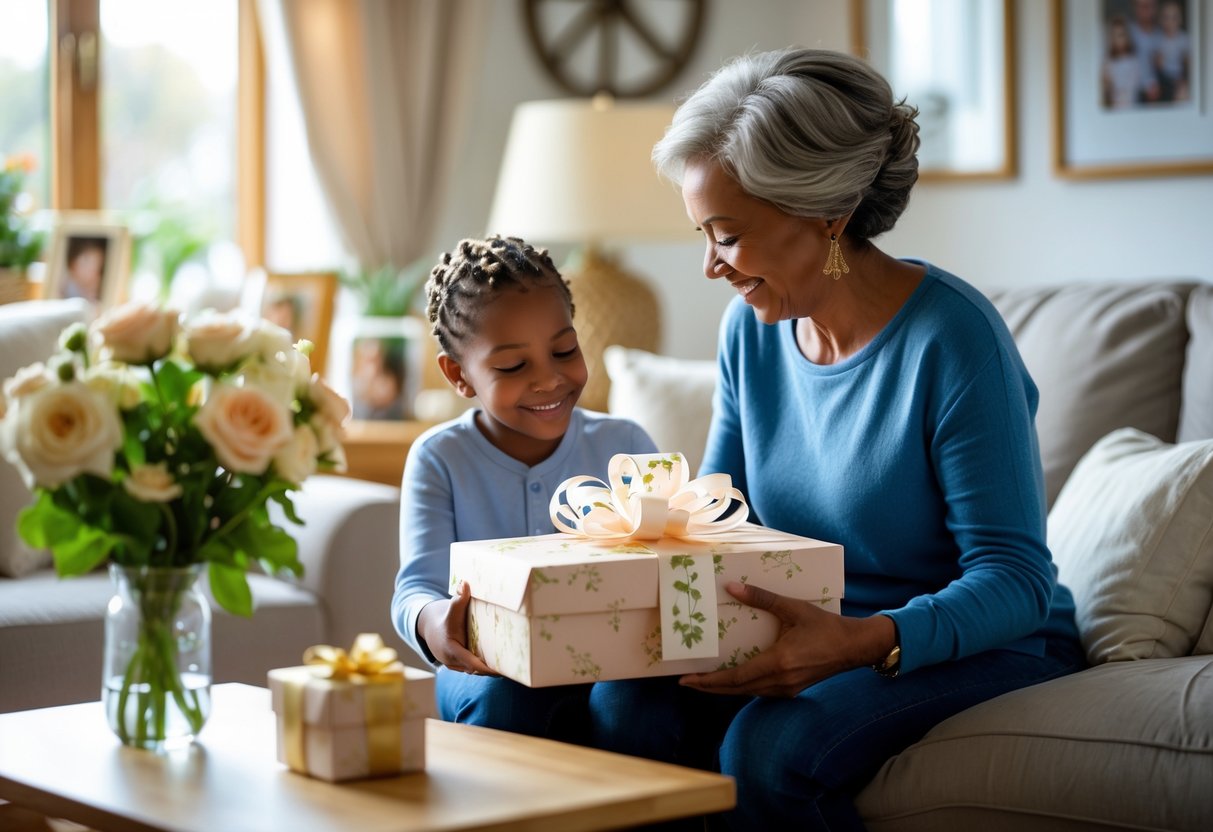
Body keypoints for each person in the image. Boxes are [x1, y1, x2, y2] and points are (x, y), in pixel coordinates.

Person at [587, 48, 1085, 830]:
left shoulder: (953, 342)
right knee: (624, 704)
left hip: (980, 642)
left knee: (769, 749)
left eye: (726, 235)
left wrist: (860, 642)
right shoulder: (750, 334)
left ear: (824, 214)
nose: (711, 266)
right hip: (807, 623)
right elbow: (721, 520)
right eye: (702, 234)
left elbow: (1014, 580)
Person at [389, 235, 657, 743]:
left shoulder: (626, 444)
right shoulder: (439, 458)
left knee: (638, 703)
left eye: (564, 350)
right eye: (513, 366)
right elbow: (415, 589)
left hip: (614, 660)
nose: (549, 379)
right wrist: (432, 621)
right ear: (459, 375)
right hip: (489, 669)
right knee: (505, 700)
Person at [1154, 0, 1191, 103]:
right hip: (1165, 79)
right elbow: (1158, 66)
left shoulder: (1184, 39)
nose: (1170, 22)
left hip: (1180, 77)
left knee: (1183, 93)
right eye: (1166, 17)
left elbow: (1187, 63)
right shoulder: (1158, 39)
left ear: (1180, 19)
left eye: (1174, 17)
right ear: (1160, 20)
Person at [1103, 15, 1141, 110]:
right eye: (1114, 36)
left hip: (1130, 104)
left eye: (1121, 35)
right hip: (1115, 106)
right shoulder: (1109, 62)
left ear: (1127, 36)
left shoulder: (1133, 61)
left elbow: (1134, 84)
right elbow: (1107, 85)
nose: (1117, 40)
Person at [61, 236, 107, 301]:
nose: (92, 269)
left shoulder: (99, 287)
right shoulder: (66, 284)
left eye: (97, 263)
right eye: (86, 261)